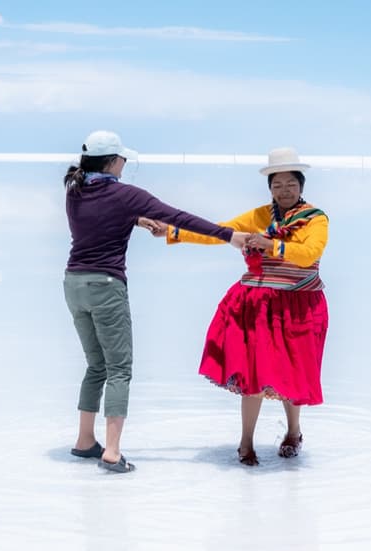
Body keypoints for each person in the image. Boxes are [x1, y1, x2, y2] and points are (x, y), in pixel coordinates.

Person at [63, 130, 248, 473]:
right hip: (106, 285)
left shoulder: (75, 191)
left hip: (73, 283)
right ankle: (113, 452)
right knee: (119, 369)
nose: (125, 166)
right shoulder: (127, 195)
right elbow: (179, 217)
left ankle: (85, 440)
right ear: (114, 162)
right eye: (123, 160)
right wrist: (230, 236)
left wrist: (135, 218)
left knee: (96, 365)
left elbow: (98, 216)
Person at [143, 147, 329, 466]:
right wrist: (172, 232)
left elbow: (309, 254)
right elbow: (218, 233)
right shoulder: (257, 217)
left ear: (301, 186)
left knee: (292, 372)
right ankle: (246, 443)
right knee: (253, 375)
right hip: (257, 306)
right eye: (277, 185)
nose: (284, 191)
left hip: (298, 305)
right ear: (269, 188)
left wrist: (271, 245)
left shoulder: (316, 219)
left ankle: (293, 432)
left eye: (290, 184)